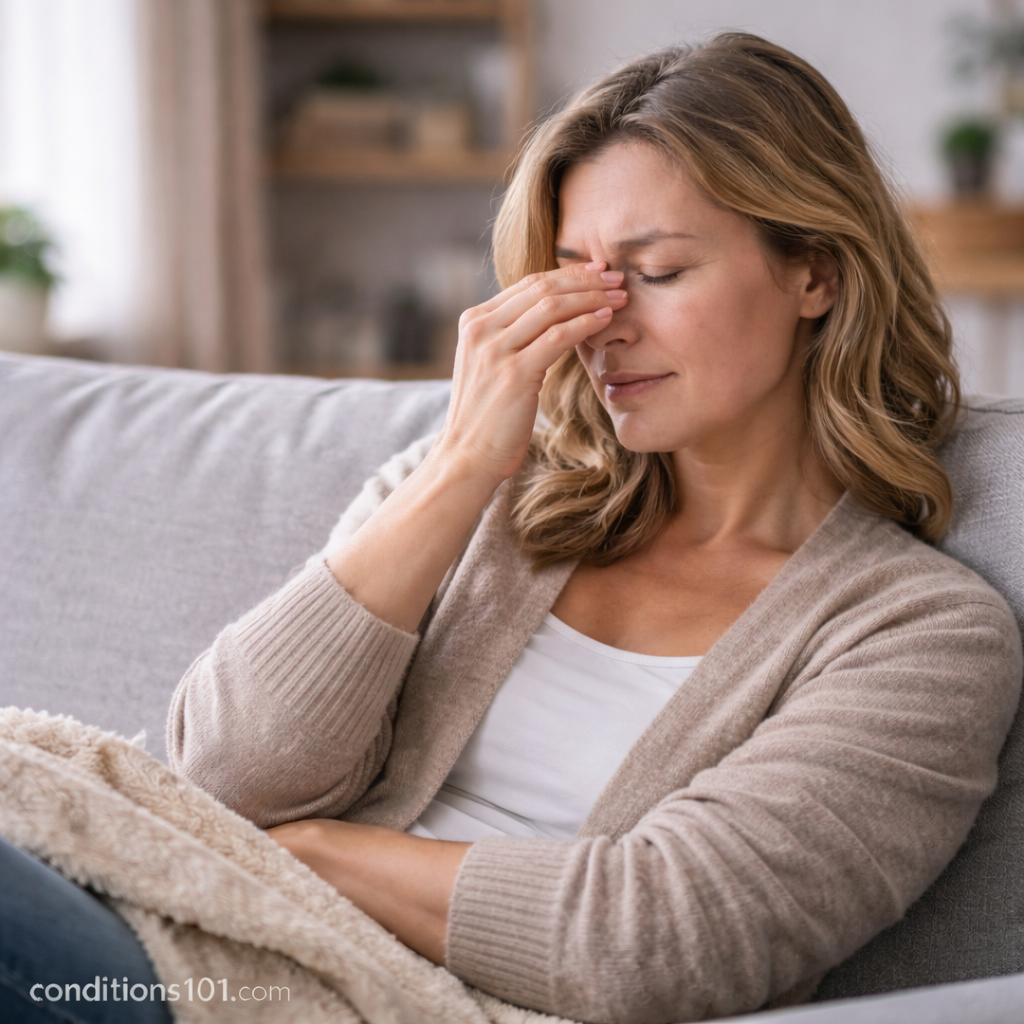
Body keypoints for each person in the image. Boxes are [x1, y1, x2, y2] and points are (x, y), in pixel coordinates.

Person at [184, 33, 1019, 1024]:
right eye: (574, 276)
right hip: (218, 959)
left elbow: (650, 947)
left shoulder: (921, 637)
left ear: (815, 276)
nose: (602, 326)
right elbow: (229, 770)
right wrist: (457, 471)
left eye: (657, 272)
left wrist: (303, 853)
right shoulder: (479, 496)